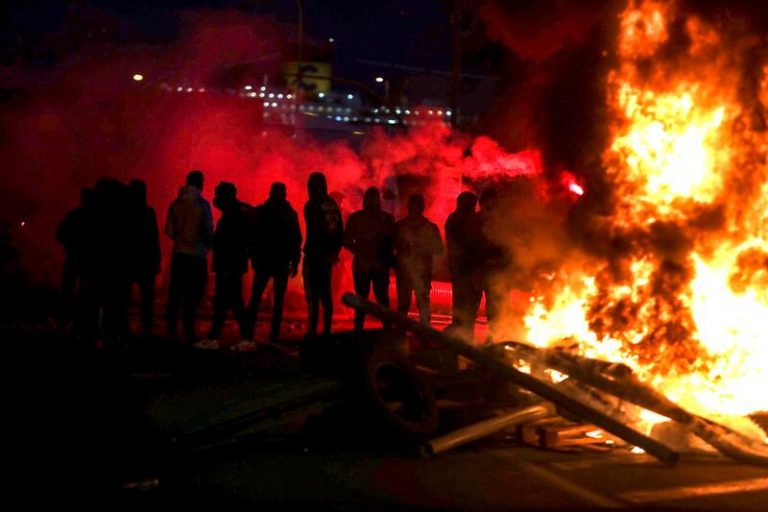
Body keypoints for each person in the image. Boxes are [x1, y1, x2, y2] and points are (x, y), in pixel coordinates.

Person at [245, 182, 302, 345]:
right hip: (281, 263)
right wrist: (295, 261)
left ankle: (248, 333)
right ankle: (273, 337)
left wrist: (252, 256)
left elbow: (252, 235)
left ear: (271, 193)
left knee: (256, 297)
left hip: (264, 261)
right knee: (278, 301)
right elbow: (296, 239)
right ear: (284, 194)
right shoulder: (289, 214)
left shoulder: (263, 211)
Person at [196, 181, 250, 350]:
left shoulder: (233, 215)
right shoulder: (236, 212)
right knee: (229, 302)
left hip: (228, 265)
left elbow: (228, 241)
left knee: (229, 302)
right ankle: (219, 336)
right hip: (231, 265)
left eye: (218, 195)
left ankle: (242, 338)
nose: (215, 199)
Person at [164, 170, 213, 344]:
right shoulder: (202, 205)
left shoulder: (175, 204)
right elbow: (208, 231)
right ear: (200, 183)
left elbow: (169, 231)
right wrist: (205, 246)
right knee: (193, 295)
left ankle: (171, 330)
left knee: (175, 294)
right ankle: (188, 329)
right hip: (197, 256)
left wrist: (181, 239)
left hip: (179, 254)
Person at [344, 186, 395, 331]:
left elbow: (394, 241)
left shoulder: (386, 219)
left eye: (373, 198)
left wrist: (386, 256)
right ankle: (360, 328)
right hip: (364, 264)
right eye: (370, 198)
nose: (371, 201)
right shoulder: (357, 218)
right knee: (363, 298)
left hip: (377, 265)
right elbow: (347, 240)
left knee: (381, 299)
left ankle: (385, 329)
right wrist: (360, 250)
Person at [303, 172, 344, 337]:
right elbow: (339, 232)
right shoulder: (331, 205)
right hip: (324, 257)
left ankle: (314, 331)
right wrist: (333, 252)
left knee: (314, 295)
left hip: (316, 256)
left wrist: (328, 251)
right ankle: (325, 330)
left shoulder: (312, 205)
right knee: (324, 295)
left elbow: (322, 231)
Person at [394, 193, 443, 325]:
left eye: (417, 205)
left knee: (422, 303)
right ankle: (401, 331)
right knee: (404, 304)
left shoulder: (430, 228)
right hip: (405, 271)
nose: (415, 208)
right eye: (413, 205)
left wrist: (424, 247)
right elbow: (391, 246)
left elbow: (439, 248)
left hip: (421, 272)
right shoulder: (400, 226)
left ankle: (423, 331)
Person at [445, 191, 482, 340]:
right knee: (464, 305)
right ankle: (462, 337)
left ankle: (463, 337)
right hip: (464, 269)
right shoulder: (458, 220)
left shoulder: (459, 219)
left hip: (468, 269)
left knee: (466, 306)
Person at [127, 179, 160, 337]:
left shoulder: (124, 213)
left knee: (125, 294)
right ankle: (146, 324)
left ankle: (123, 323)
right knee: (147, 295)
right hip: (146, 260)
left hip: (129, 259)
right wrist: (156, 259)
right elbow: (153, 238)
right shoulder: (148, 212)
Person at [55, 187, 92, 329]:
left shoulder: (74, 215)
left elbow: (60, 234)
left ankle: (65, 319)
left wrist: (70, 243)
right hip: (86, 259)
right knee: (83, 289)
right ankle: (79, 320)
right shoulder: (94, 218)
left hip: (74, 256)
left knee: (68, 288)